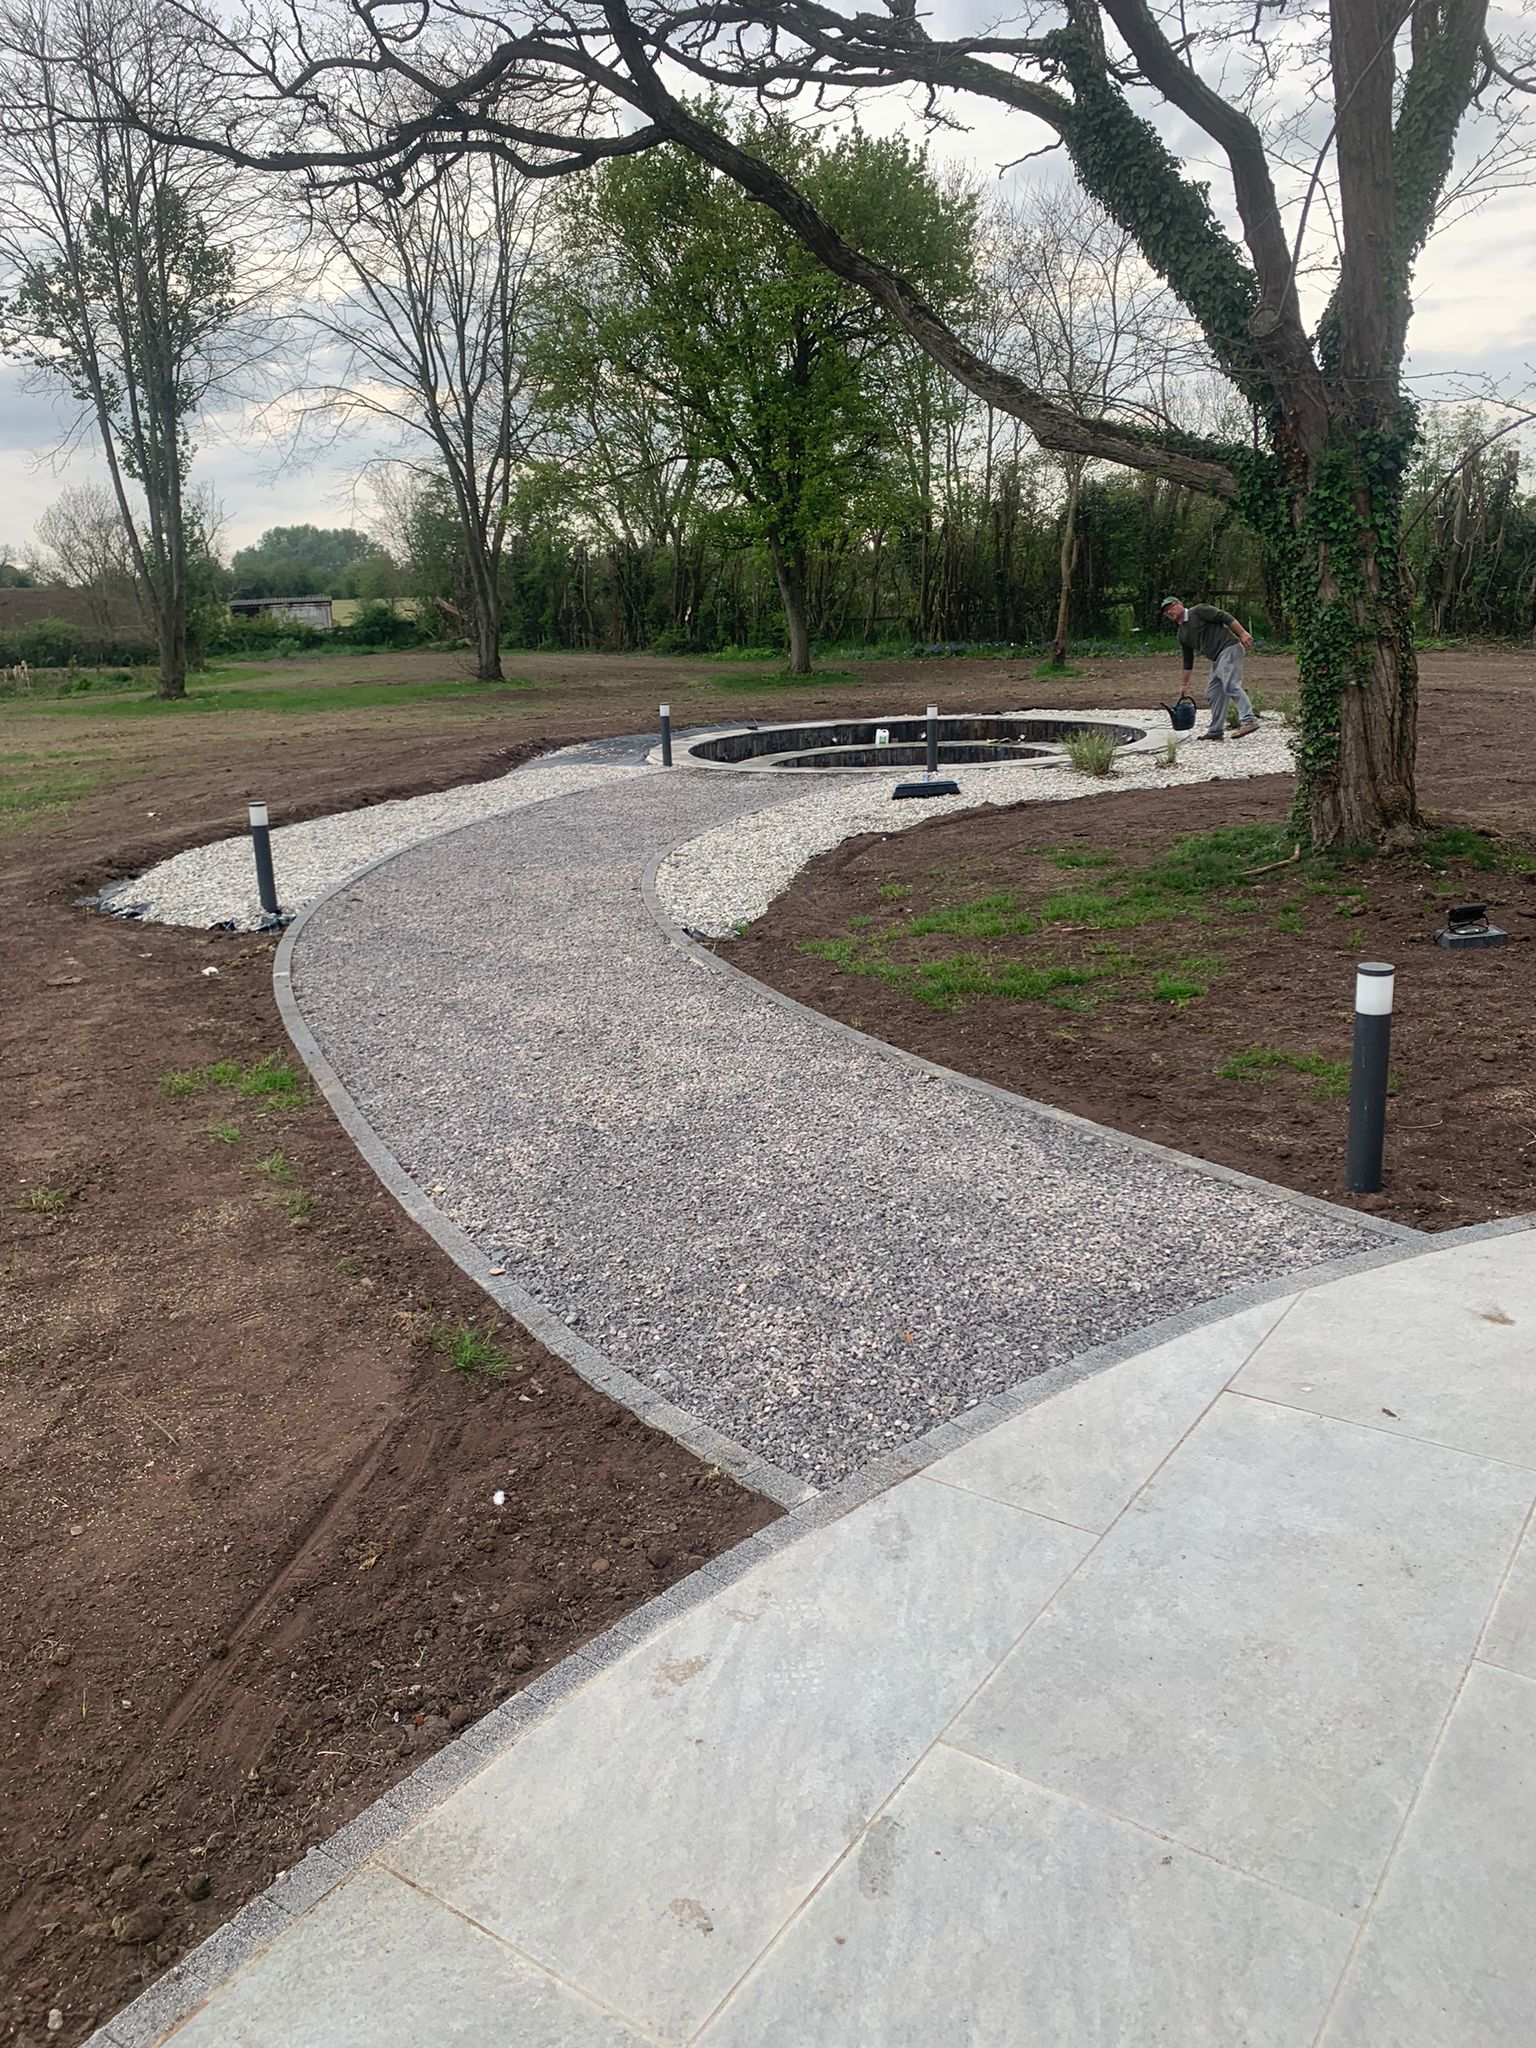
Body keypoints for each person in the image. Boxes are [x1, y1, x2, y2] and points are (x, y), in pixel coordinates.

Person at [1161, 597, 1259, 742]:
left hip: (1229, 648)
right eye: (1166, 611)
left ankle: (1249, 720)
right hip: (1217, 658)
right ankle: (1216, 731)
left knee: (1230, 685)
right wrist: (1184, 685)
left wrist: (1242, 633)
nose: (1169, 611)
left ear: (1181, 604)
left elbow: (1225, 617)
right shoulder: (1182, 634)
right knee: (1213, 692)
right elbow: (1188, 660)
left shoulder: (1199, 611)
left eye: (1172, 606)